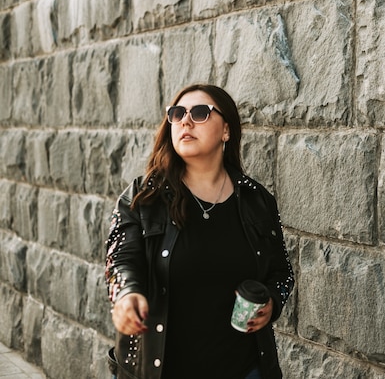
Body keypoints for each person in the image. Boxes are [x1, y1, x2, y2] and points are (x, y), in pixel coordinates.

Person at [105, 84, 295, 379]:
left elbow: (281, 272)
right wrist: (126, 294)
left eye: (200, 113)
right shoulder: (144, 197)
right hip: (162, 370)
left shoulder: (257, 200)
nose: (185, 121)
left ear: (226, 131)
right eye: (177, 113)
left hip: (244, 369)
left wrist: (272, 301)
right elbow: (121, 259)